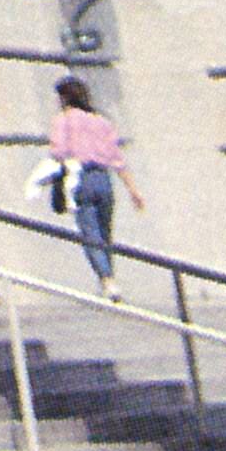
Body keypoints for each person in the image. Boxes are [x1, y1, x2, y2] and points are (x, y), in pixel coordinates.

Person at [48, 70, 130, 289]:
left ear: (64, 98)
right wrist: (133, 191)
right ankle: (109, 279)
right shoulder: (101, 121)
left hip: (80, 178)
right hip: (103, 178)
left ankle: (107, 280)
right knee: (105, 233)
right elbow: (117, 158)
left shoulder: (63, 120)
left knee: (90, 233)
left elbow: (58, 152)